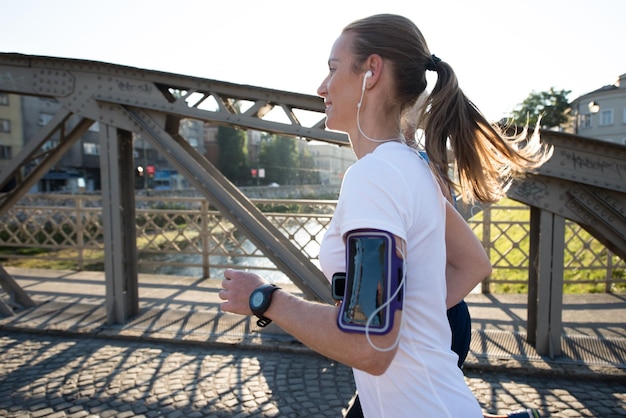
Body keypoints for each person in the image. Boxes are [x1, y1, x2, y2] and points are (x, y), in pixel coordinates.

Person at [219, 13, 552, 417]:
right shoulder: (415, 168)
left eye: (333, 68)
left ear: (371, 72)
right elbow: (473, 265)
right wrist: (409, 319)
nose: (321, 87)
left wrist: (266, 299)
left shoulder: (375, 176)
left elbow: (369, 345)